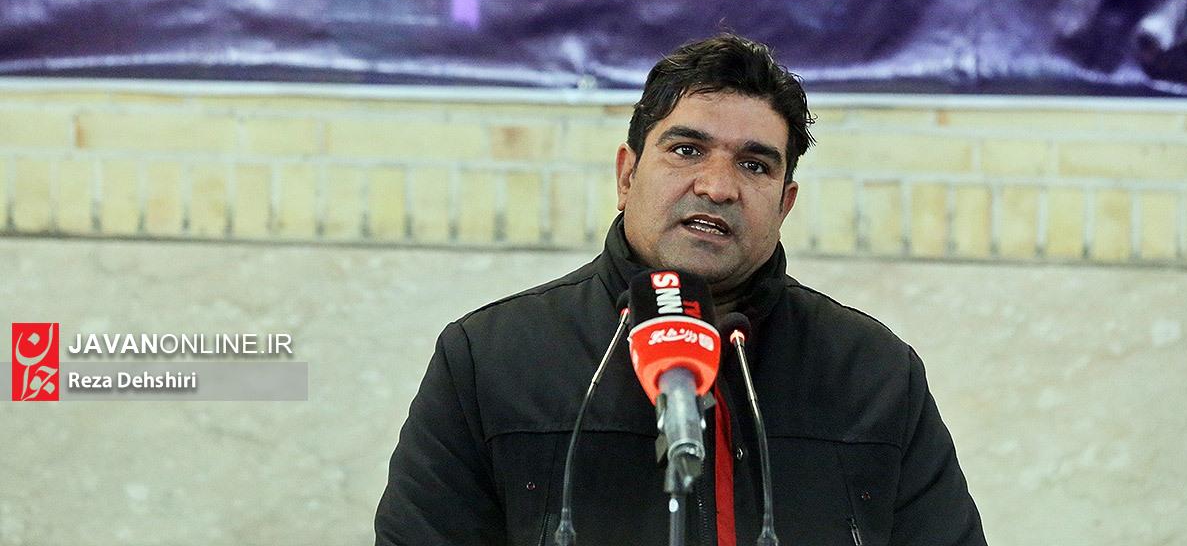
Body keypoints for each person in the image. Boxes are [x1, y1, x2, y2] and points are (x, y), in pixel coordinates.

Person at [375, 33, 986, 546]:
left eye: (754, 164)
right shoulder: (491, 358)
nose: (717, 187)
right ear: (627, 175)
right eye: (687, 150)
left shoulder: (875, 374)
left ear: (785, 204)